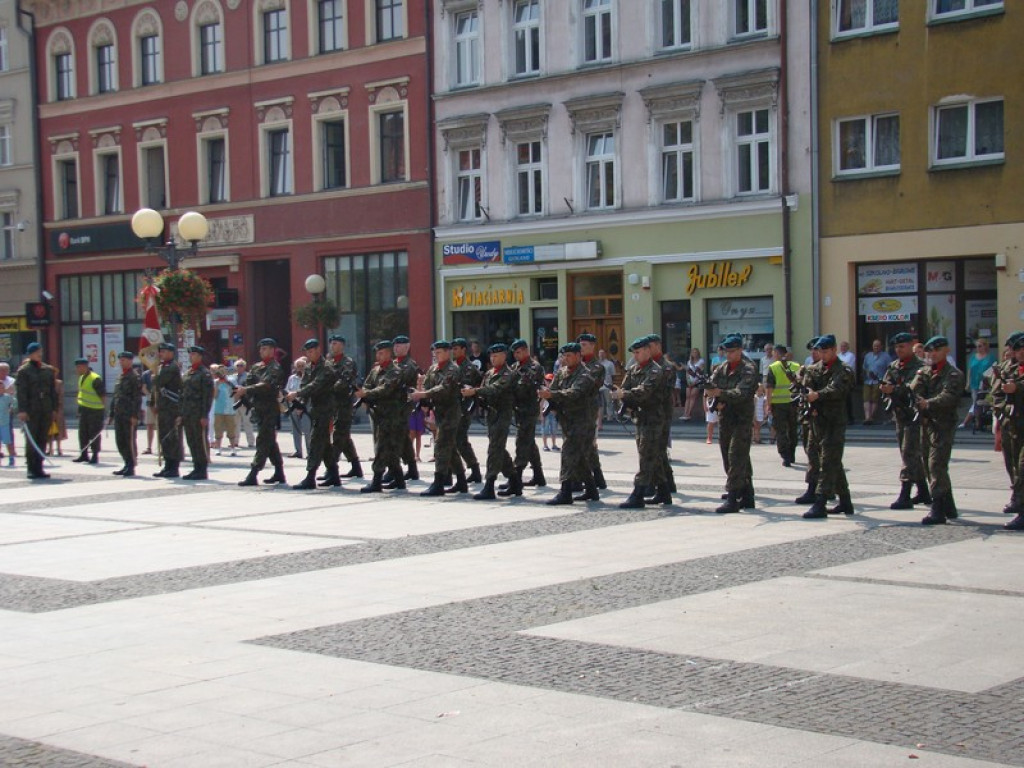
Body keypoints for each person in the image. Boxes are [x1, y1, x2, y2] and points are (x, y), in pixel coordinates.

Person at [910, 336, 966, 525]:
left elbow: (949, 397)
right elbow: (914, 390)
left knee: (936, 464)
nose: (932, 354)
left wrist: (928, 403)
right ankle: (949, 506)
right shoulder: (924, 372)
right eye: (930, 351)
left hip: (943, 425)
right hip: (926, 423)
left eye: (937, 350)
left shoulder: (954, 374)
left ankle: (938, 508)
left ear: (946, 351)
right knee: (928, 463)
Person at [801, 335, 856, 519]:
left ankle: (820, 501)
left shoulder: (844, 370)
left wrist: (817, 395)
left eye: (825, 351)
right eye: (819, 351)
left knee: (827, 462)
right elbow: (805, 388)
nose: (822, 355)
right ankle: (846, 501)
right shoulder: (813, 369)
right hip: (817, 421)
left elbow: (838, 389)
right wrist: (808, 396)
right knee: (832, 461)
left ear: (833, 350)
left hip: (834, 422)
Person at [613, 337, 671, 508]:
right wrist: (622, 400)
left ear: (647, 351)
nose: (636, 356)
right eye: (634, 353)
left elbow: (644, 391)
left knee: (646, 455)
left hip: (654, 419)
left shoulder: (656, 371)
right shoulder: (633, 370)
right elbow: (624, 389)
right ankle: (664, 492)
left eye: (638, 352)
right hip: (640, 418)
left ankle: (637, 494)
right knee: (656, 456)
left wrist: (624, 395)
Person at [538, 342, 599, 504]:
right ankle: (592, 490)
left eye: (569, 355)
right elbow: (555, 389)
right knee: (579, 458)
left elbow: (574, 393)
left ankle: (565, 492)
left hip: (582, 422)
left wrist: (552, 395)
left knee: (567, 454)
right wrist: (548, 397)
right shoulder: (562, 372)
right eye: (564, 356)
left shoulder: (586, 374)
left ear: (579, 356)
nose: (566, 359)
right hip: (566, 421)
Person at [703, 334, 758, 514]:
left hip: (741, 419)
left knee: (736, 456)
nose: (728, 355)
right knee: (731, 457)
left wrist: (720, 393)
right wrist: (711, 395)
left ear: (740, 350)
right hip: (725, 419)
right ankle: (747, 495)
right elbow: (711, 386)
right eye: (726, 351)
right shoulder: (722, 368)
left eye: (732, 351)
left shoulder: (748, 368)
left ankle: (733, 497)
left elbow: (741, 393)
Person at [411, 340, 467, 496]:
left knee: (441, 446)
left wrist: (424, 394)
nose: (436, 355)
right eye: (435, 352)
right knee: (450, 448)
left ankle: (439, 482)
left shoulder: (453, 369)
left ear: (448, 352)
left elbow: (444, 388)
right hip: (438, 412)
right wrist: (421, 391)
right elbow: (428, 387)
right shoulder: (433, 369)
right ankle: (462, 481)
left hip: (450, 413)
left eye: (440, 352)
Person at [461, 343, 516, 500]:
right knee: (498, 448)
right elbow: (485, 390)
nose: (493, 358)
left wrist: (475, 391)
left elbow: (495, 389)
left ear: (504, 356)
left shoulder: (508, 373)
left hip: (503, 414)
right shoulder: (490, 373)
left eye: (496, 355)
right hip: (491, 414)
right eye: (491, 355)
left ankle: (489, 485)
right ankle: (514, 480)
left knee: (494, 449)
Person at [879, 332, 928, 510]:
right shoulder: (893, 366)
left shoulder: (921, 367)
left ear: (911, 346)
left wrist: (895, 389)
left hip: (914, 416)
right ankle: (923, 490)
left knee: (909, 453)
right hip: (900, 415)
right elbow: (887, 385)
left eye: (902, 346)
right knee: (909, 453)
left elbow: (914, 389)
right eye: (896, 347)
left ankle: (905, 494)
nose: (899, 350)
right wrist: (886, 391)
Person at [355, 340, 406, 493]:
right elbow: (367, 384)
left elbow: (386, 389)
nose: (378, 355)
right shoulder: (375, 370)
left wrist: (367, 394)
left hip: (391, 415)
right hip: (377, 414)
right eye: (377, 353)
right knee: (388, 448)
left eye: (381, 352)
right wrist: (364, 394)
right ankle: (399, 480)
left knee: (382, 447)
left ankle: (376, 480)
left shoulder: (395, 371)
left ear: (389, 353)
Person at [287, 339, 337, 490]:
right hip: (315, 409)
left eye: (311, 351)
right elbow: (305, 383)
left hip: (326, 409)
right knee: (325, 444)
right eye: (307, 352)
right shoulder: (309, 367)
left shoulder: (327, 367)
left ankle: (310, 476)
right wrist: (300, 401)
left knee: (315, 441)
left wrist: (297, 393)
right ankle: (334, 475)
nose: (309, 354)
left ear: (318, 350)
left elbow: (317, 385)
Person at [237, 337, 287, 487]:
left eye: (264, 348)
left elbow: (266, 385)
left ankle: (253, 473)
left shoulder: (275, 368)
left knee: (263, 441)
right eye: (260, 349)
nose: (261, 351)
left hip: (270, 409)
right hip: (258, 409)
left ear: (272, 350)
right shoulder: (256, 367)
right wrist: (244, 391)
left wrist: (247, 389)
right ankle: (279, 472)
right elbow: (249, 382)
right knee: (270, 441)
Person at [504, 339, 545, 494]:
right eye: (514, 352)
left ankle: (516, 478)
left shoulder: (535, 367)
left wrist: (509, 390)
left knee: (522, 441)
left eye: (519, 352)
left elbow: (524, 387)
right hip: (518, 410)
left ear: (526, 351)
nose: (516, 355)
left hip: (529, 409)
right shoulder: (514, 367)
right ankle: (539, 475)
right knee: (529, 441)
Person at [15, 342, 57, 480]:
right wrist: (22, 410)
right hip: (31, 409)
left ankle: (39, 467)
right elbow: (21, 392)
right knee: (32, 438)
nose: (40, 353)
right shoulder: (24, 371)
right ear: (30, 353)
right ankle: (31, 468)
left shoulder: (47, 370)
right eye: (37, 351)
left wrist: (54, 409)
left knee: (42, 438)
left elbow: (52, 391)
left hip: (45, 407)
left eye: (40, 351)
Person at [326, 335, 362, 481]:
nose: (332, 346)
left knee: (338, 436)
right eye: (331, 344)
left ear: (342, 345)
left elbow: (344, 381)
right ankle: (356, 467)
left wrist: (327, 388)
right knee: (344, 437)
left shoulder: (347, 362)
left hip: (344, 405)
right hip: (333, 405)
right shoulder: (329, 362)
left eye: (335, 344)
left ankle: (331, 468)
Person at [577, 333, 608, 491]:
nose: (581, 348)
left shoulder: (597, 367)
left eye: (584, 345)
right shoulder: (576, 364)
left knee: (585, 444)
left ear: (592, 346)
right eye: (580, 345)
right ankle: (597, 478)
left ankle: (586, 479)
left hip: (588, 410)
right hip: (574, 410)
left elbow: (585, 386)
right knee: (584, 445)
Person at [179, 346, 213, 480]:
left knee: (200, 442)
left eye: (193, 354)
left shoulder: (204, 373)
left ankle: (202, 469)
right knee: (191, 441)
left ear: (200, 356)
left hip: (198, 413)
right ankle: (196, 467)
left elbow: (207, 396)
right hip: (188, 413)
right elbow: (183, 394)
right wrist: (181, 413)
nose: (191, 356)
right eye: (190, 354)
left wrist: (205, 415)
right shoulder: (188, 373)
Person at [451, 338, 483, 483]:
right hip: (451, 408)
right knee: (454, 440)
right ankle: (464, 470)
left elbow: (471, 386)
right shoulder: (451, 365)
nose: (454, 351)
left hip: (463, 408)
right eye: (453, 349)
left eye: (456, 348)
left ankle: (473, 469)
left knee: (459, 440)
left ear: (464, 350)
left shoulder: (469, 367)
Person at [765, 345, 801, 467]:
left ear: (776, 353)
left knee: (781, 431)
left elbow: (769, 388)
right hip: (794, 403)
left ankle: (785, 456)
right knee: (793, 429)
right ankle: (792, 453)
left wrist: (768, 404)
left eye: (774, 352)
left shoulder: (773, 367)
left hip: (778, 404)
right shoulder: (796, 366)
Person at [152, 343, 183, 478]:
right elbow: (157, 388)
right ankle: (167, 465)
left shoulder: (172, 367)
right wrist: (154, 403)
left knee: (171, 438)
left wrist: (154, 376)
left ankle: (173, 467)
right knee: (163, 437)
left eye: (164, 352)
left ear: (171, 353)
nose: (161, 354)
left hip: (172, 408)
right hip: (164, 407)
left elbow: (159, 382)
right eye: (160, 352)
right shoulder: (162, 367)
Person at [109, 351, 142, 477]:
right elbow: (116, 396)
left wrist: (135, 415)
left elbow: (137, 398)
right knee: (120, 440)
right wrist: (111, 414)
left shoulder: (134, 377)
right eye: (120, 360)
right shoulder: (120, 376)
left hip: (129, 414)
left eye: (123, 360)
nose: (121, 362)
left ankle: (131, 465)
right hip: (119, 414)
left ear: (130, 361)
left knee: (129, 440)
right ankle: (126, 462)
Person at [392, 335, 420, 481]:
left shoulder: (410, 365)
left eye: (399, 345)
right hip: (392, 407)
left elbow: (397, 383)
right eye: (395, 345)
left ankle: (393, 469)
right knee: (403, 438)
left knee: (396, 438)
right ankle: (412, 468)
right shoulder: (393, 363)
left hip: (402, 405)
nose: (396, 348)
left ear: (407, 347)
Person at [73, 356, 106, 464]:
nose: (77, 369)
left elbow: (102, 396)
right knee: (83, 433)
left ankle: (95, 455)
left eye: (78, 367)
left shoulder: (95, 378)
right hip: (85, 410)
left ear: (85, 367)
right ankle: (84, 454)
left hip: (95, 411)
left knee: (94, 434)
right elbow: (81, 394)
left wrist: (103, 411)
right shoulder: (82, 377)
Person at [962, 339, 996, 429]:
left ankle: (977, 421)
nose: (978, 348)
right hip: (974, 382)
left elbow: (993, 370)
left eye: (980, 346)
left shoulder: (990, 357)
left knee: (984, 401)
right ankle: (977, 421)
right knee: (975, 402)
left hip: (986, 383)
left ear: (985, 346)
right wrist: (968, 382)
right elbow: (970, 370)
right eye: (977, 346)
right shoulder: (973, 357)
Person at [861, 339, 892, 425]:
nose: (876, 347)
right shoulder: (868, 356)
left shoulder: (886, 356)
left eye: (878, 346)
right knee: (866, 398)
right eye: (875, 346)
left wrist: (886, 380)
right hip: (868, 380)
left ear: (881, 346)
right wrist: (867, 372)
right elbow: (864, 367)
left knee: (874, 399)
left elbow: (890, 368)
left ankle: (871, 417)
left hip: (879, 380)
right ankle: (867, 417)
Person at [285, 358, 310, 459]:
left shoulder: (309, 378)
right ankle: (298, 451)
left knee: (307, 430)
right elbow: (287, 390)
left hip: (306, 407)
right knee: (295, 430)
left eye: (302, 366)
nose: (300, 368)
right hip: (294, 406)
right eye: (298, 366)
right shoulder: (292, 378)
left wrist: (302, 407)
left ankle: (310, 452)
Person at [211, 365, 239, 456]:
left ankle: (233, 448)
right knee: (218, 430)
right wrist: (217, 385)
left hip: (230, 410)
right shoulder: (215, 382)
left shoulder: (231, 381)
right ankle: (218, 448)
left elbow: (236, 394)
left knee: (231, 430)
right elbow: (214, 396)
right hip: (219, 409)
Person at [232, 359, 255, 448]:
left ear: (244, 366)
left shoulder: (249, 376)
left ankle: (251, 442)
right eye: (238, 365)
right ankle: (235, 441)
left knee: (247, 422)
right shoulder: (232, 377)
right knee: (235, 423)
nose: (239, 367)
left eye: (241, 365)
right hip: (235, 401)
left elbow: (252, 388)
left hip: (245, 402)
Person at [47, 369, 66, 457]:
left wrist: (57, 409)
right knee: (49, 430)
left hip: (58, 409)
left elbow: (61, 396)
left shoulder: (59, 383)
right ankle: (50, 448)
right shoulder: (46, 383)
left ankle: (59, 448)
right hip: (48, 409)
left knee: (58, 429)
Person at [682, 348, 704, 421]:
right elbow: (687, 372)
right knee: (688, 397)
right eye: (693, 352)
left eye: (696, 352)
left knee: (692, 396)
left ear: (698, 353)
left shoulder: (701, 361)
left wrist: (695, 381)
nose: (694, 354)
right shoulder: (689, 362)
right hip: (689, 381)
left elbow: (699, 372)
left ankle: (688, 413)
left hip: (697, 381)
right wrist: (688, 380)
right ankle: (685, 413)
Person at [540, 373, 560, 452]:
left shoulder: (555, 390)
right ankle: (545, 445)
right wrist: (541, 414)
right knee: (545, 430)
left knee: (554, 430)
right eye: (547, 380)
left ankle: (554, 445)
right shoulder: (543, 391)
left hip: (553, 413)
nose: (548, 382)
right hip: (546, 413)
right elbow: (541, 403)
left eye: (550, 380)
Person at [0, 366, 15, 467]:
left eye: (1, 387)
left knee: (8, 441)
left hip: (4, 422)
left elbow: (15, 402)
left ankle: (11, 457)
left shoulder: (7, 397)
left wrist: (11, 408)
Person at [597, 349, 616, 421]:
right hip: (598, 386)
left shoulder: (610, 363)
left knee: (608, 401)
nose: (601, 355)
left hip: (607, 385)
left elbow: (613, 375)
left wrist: (612, 384)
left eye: (602, 353)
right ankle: (600, 418)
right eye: (600, 353)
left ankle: (609, 417)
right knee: (599, 403)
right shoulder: (596, 363)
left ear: (605, 354)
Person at [140, 365, 156, 454]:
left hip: (161, 399)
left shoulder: (162, 371)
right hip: (150, 399)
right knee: (150, 424)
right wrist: (150, 396)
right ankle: (149, 447)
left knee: (161, 425)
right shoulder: (146, 374)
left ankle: (162, 447)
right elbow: (143, 388)